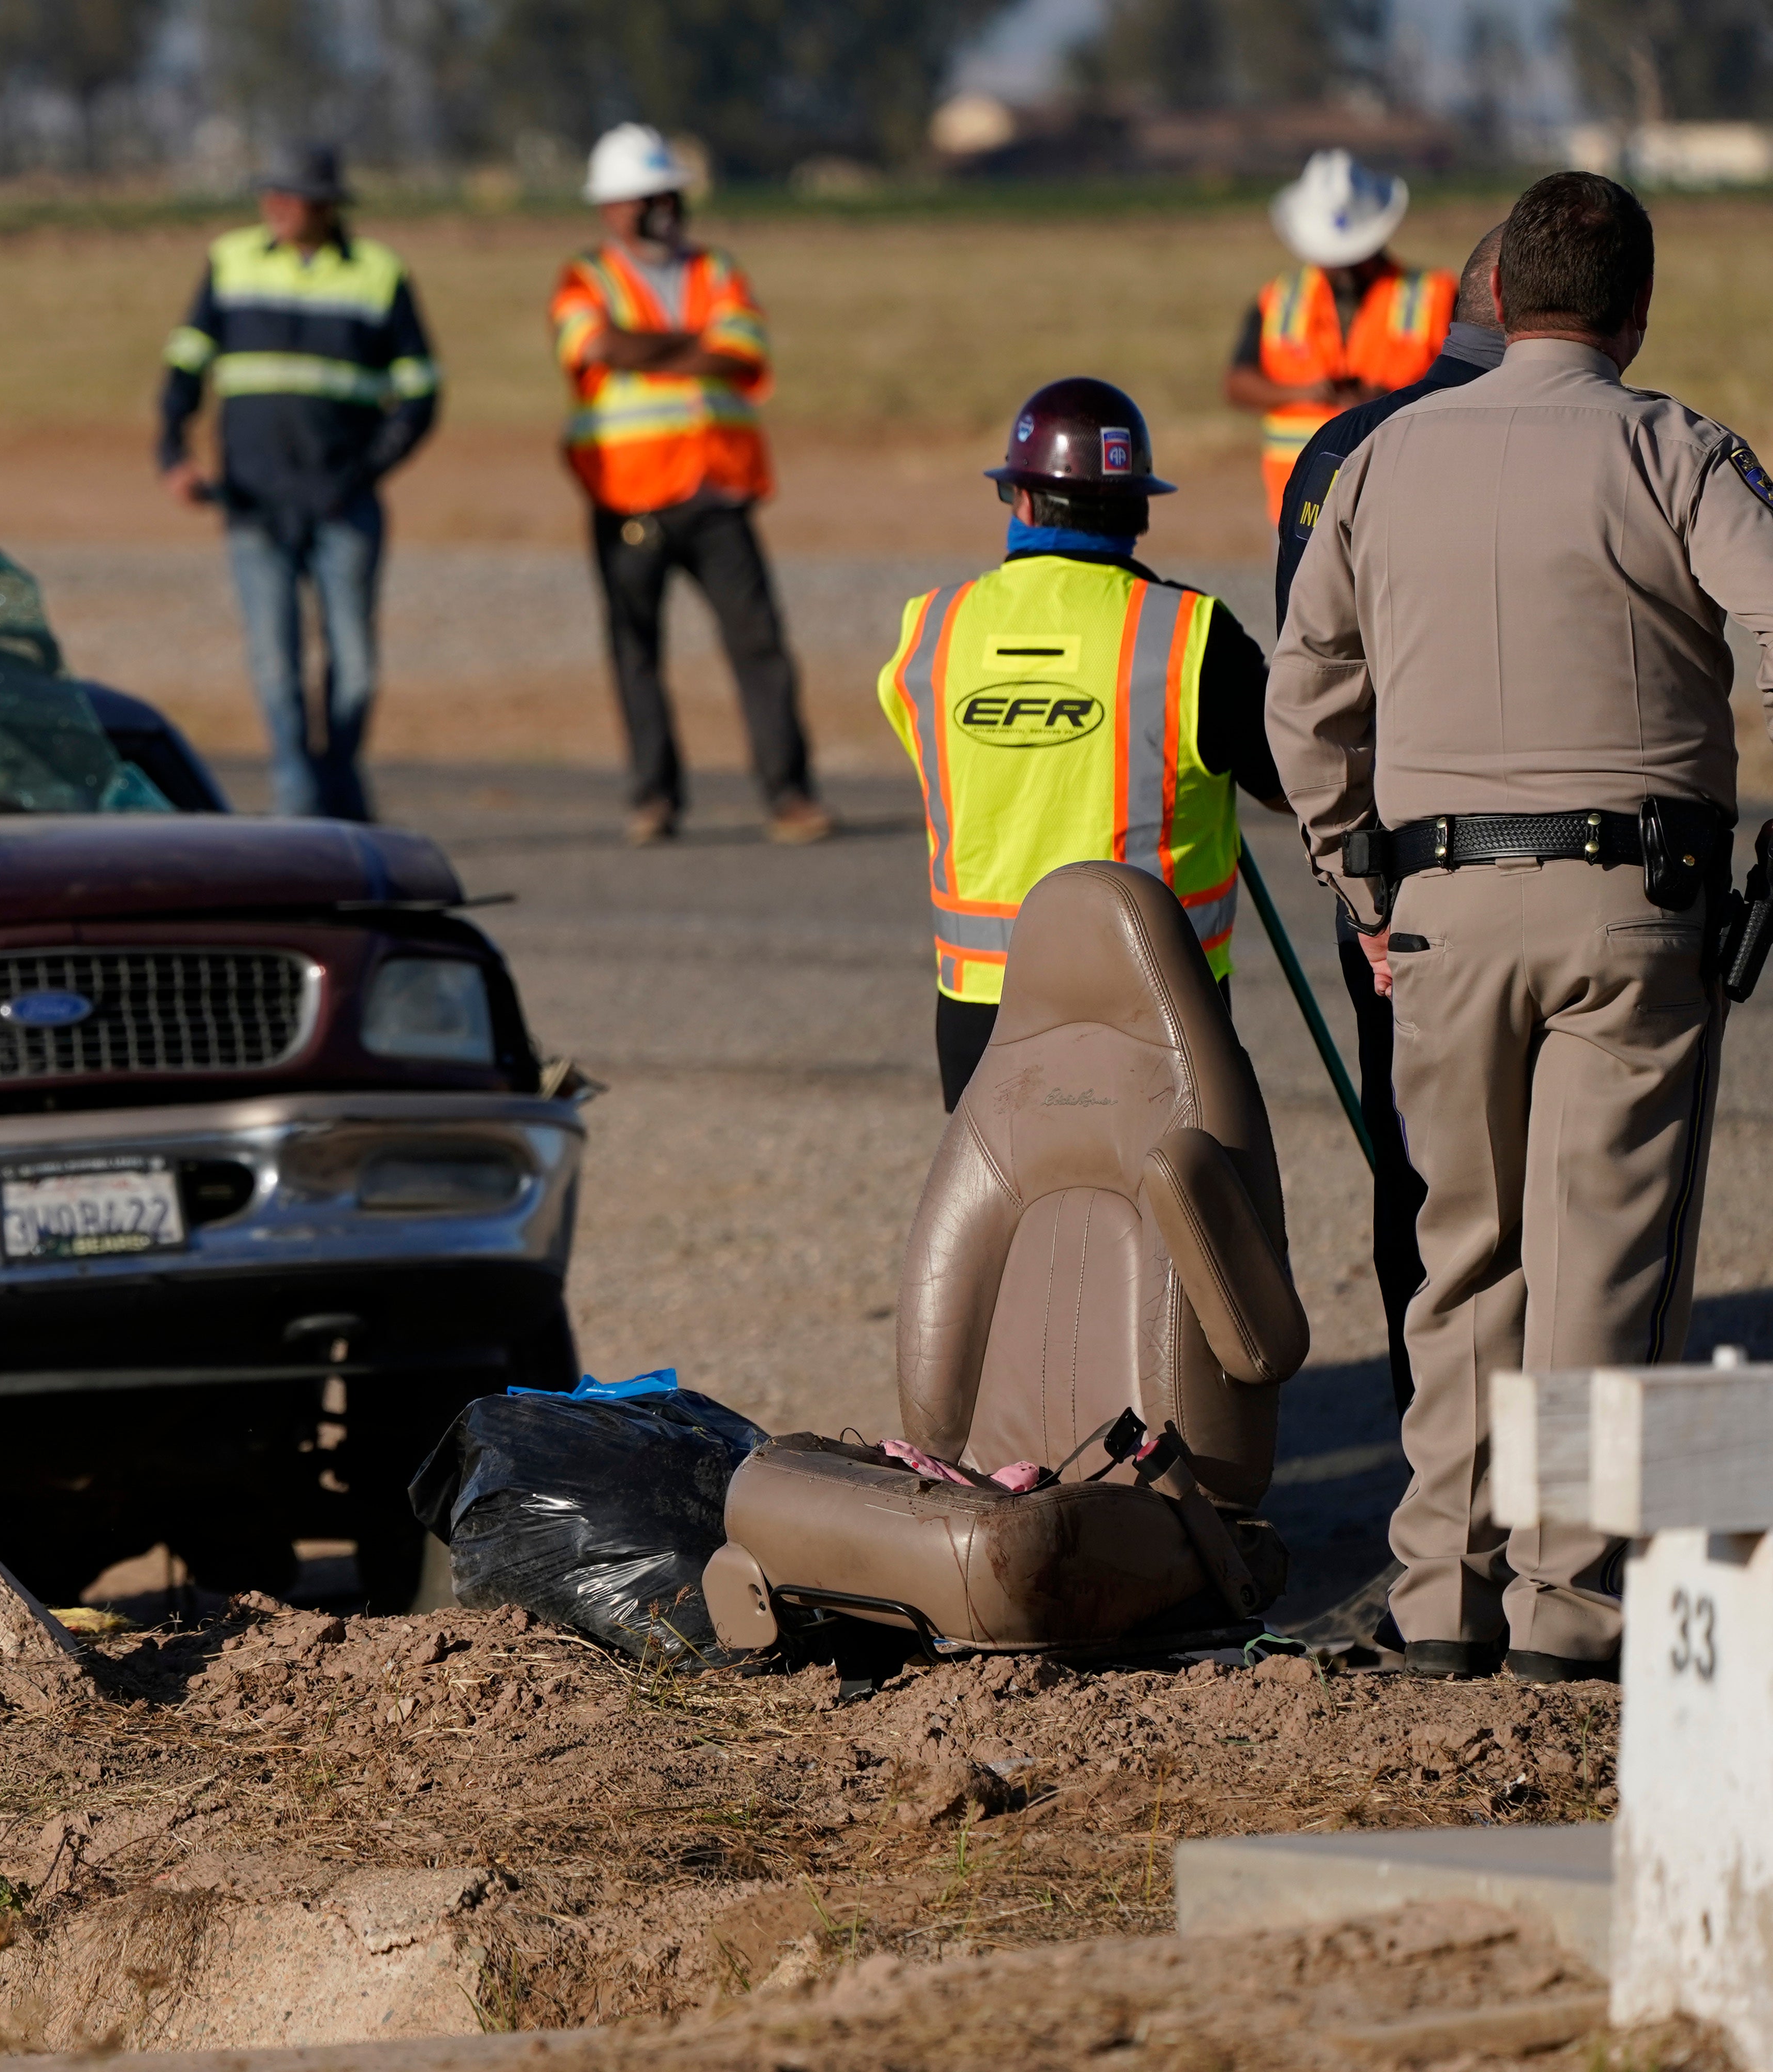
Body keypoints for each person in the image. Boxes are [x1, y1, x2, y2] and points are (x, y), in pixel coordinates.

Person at [1271, 170, 1773, 1683]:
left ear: (1490, 298)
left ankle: (1439, 1593)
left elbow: (1304, 710)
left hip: (1431, 911)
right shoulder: (1670, 448)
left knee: (1457, 1259)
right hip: (1632, 910)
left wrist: (1367, 892)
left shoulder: (1377, 459)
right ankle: (1575, 1609)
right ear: (1631, 312)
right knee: (1604, 1256)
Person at [878, 378, 1286, 1110]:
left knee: (1012, 1219)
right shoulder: (1194, 636)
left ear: (1023, 502)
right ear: (1138, 510)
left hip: (982, 1012)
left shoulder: (931, 634)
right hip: (1158, 1006)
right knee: (1175, 1217)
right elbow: (1294, 782)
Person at [1271, 220, 1506, 1419]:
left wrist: (1357, 887)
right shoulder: (1615, 436)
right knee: (1581, 1192)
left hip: (1394, 883)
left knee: (1417, 1174)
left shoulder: (1340, 448)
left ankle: (1439, 1464)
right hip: (1576, 882)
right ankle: (1567, 1516)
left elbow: (1310, 696)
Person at [551, 124, 831, 850]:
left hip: (718, 489)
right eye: (646, 198)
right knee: (636, 651)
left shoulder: (719, 270)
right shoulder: (585, 278)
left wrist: (652, 353)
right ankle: (654, 797)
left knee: (759, 645)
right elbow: (595, 347)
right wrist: (693, 348)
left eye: (668, 194)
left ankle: (789, 793)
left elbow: (744, 352)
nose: (662, 208)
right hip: (627, 495)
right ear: (611, 208)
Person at [159, 144, 438, 821]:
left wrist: (367, 471)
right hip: (255, 504)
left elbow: (421, 391)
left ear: (329, 206)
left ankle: (341, 783)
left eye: (294, 197)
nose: (277, 208)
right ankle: (299, 802)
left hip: (344, 504)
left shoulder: (378, 274)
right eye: (271, 194)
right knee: (277, 671)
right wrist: (174, 453)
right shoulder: (232, 262)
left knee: (356, 671)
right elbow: (186, 365)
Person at [1224, 150, 1455, 522]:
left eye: (1355, 255)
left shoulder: (1436, 296)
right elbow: (1237, 383)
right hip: (1300, 509)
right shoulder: (1279, 299)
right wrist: (1302, 393)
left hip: (1403, 505)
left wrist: (1391, 402)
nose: (1344, 268)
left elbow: (1474, 385)